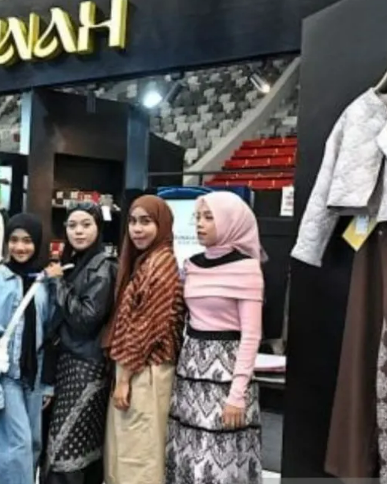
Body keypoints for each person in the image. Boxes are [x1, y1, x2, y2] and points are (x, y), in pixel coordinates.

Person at [165, 191, 265, 484]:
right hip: (191, 371)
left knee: (219, 459)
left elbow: (251, 335)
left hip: (226, 374)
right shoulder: (191, 265)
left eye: (209, 217)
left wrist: (237, 393)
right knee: (187, 452)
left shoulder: (246, 268)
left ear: (230, 221)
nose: (200, 224)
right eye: (198, 217)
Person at [103, 194, 184, 484]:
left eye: (146, 222)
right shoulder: (146, 261)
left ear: (162, 225)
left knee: (139, 456)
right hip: (136, 368)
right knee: (127, 452)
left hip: (145, 372)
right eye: (133, 222)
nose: (137, 229)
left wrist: (124, 379)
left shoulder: (159, 265)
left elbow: (144, 327)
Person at [0, 213, 55, 484]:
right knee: (16, 446)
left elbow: (49, 334)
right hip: (6, 376)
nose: (20, 247)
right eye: (14, 240)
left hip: (34, 377)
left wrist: (47, 384)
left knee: (33, 444)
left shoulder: (44, 282)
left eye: (27, 241)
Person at [42, 203, 117, 484]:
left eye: (86, 224)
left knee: (66, 445)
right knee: (74, 443)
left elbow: (85, 319)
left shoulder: (102, 267)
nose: (78, 231)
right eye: (72, 225)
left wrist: (58, 284)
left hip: (86, 366)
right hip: (68, 362)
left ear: (98, 227)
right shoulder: (74, 262)